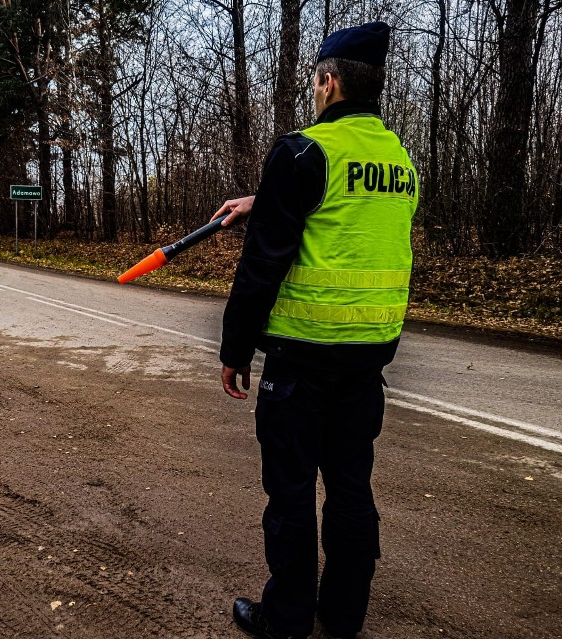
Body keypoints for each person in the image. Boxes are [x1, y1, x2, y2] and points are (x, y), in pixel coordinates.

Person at [213, 21, 418, 639]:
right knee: (352, 489)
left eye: (314, 81)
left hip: (301, 364)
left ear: (328, 82)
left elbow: (263, 264)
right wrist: (264, 197)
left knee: (293, 494)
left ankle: (287, 618)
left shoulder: (302, 151)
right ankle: (345, 612)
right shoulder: (401, 159)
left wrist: (235, 347)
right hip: (366, 365)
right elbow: (345, 218)